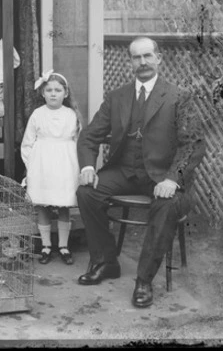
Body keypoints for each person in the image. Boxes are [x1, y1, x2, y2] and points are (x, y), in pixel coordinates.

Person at [76, 36, 205, 308]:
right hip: (124, 172)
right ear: (130, 61)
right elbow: (89, 136)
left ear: (159, 58)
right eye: (137, 57)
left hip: (161, 176)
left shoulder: (178, 96)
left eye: (148, 56)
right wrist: (88, 166)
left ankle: (144, 280)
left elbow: (192, 144)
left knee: (166, 205)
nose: (143, 62)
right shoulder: (117, 97)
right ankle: (106, 262)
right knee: (87, 193)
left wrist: (172, 178)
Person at [21, 70, 81, 266]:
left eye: (58, 90)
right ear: (42, 93)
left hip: (65, 164)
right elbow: (28, 143)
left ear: (66, 93)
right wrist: (31, 168)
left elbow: (78, 142)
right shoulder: (38, 115)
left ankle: (63, 246)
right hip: (42, 165)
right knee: (42, 204)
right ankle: (46, 245)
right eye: (49, 90)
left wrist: (78, 167)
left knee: (64, 204)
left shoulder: (71, 115)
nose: (53, 94)